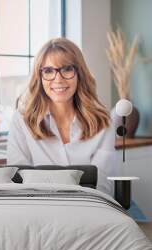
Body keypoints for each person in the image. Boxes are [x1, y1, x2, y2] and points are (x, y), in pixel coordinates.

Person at [6, 38, 117, 196]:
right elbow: (18, 180)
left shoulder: (103, 122)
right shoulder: (22, 120)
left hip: (88, 207)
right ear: (40, 76)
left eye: (66, 69)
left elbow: (102, 184)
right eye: (49, 71)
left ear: (79, 73)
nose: (58, 79)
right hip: (38, 207)